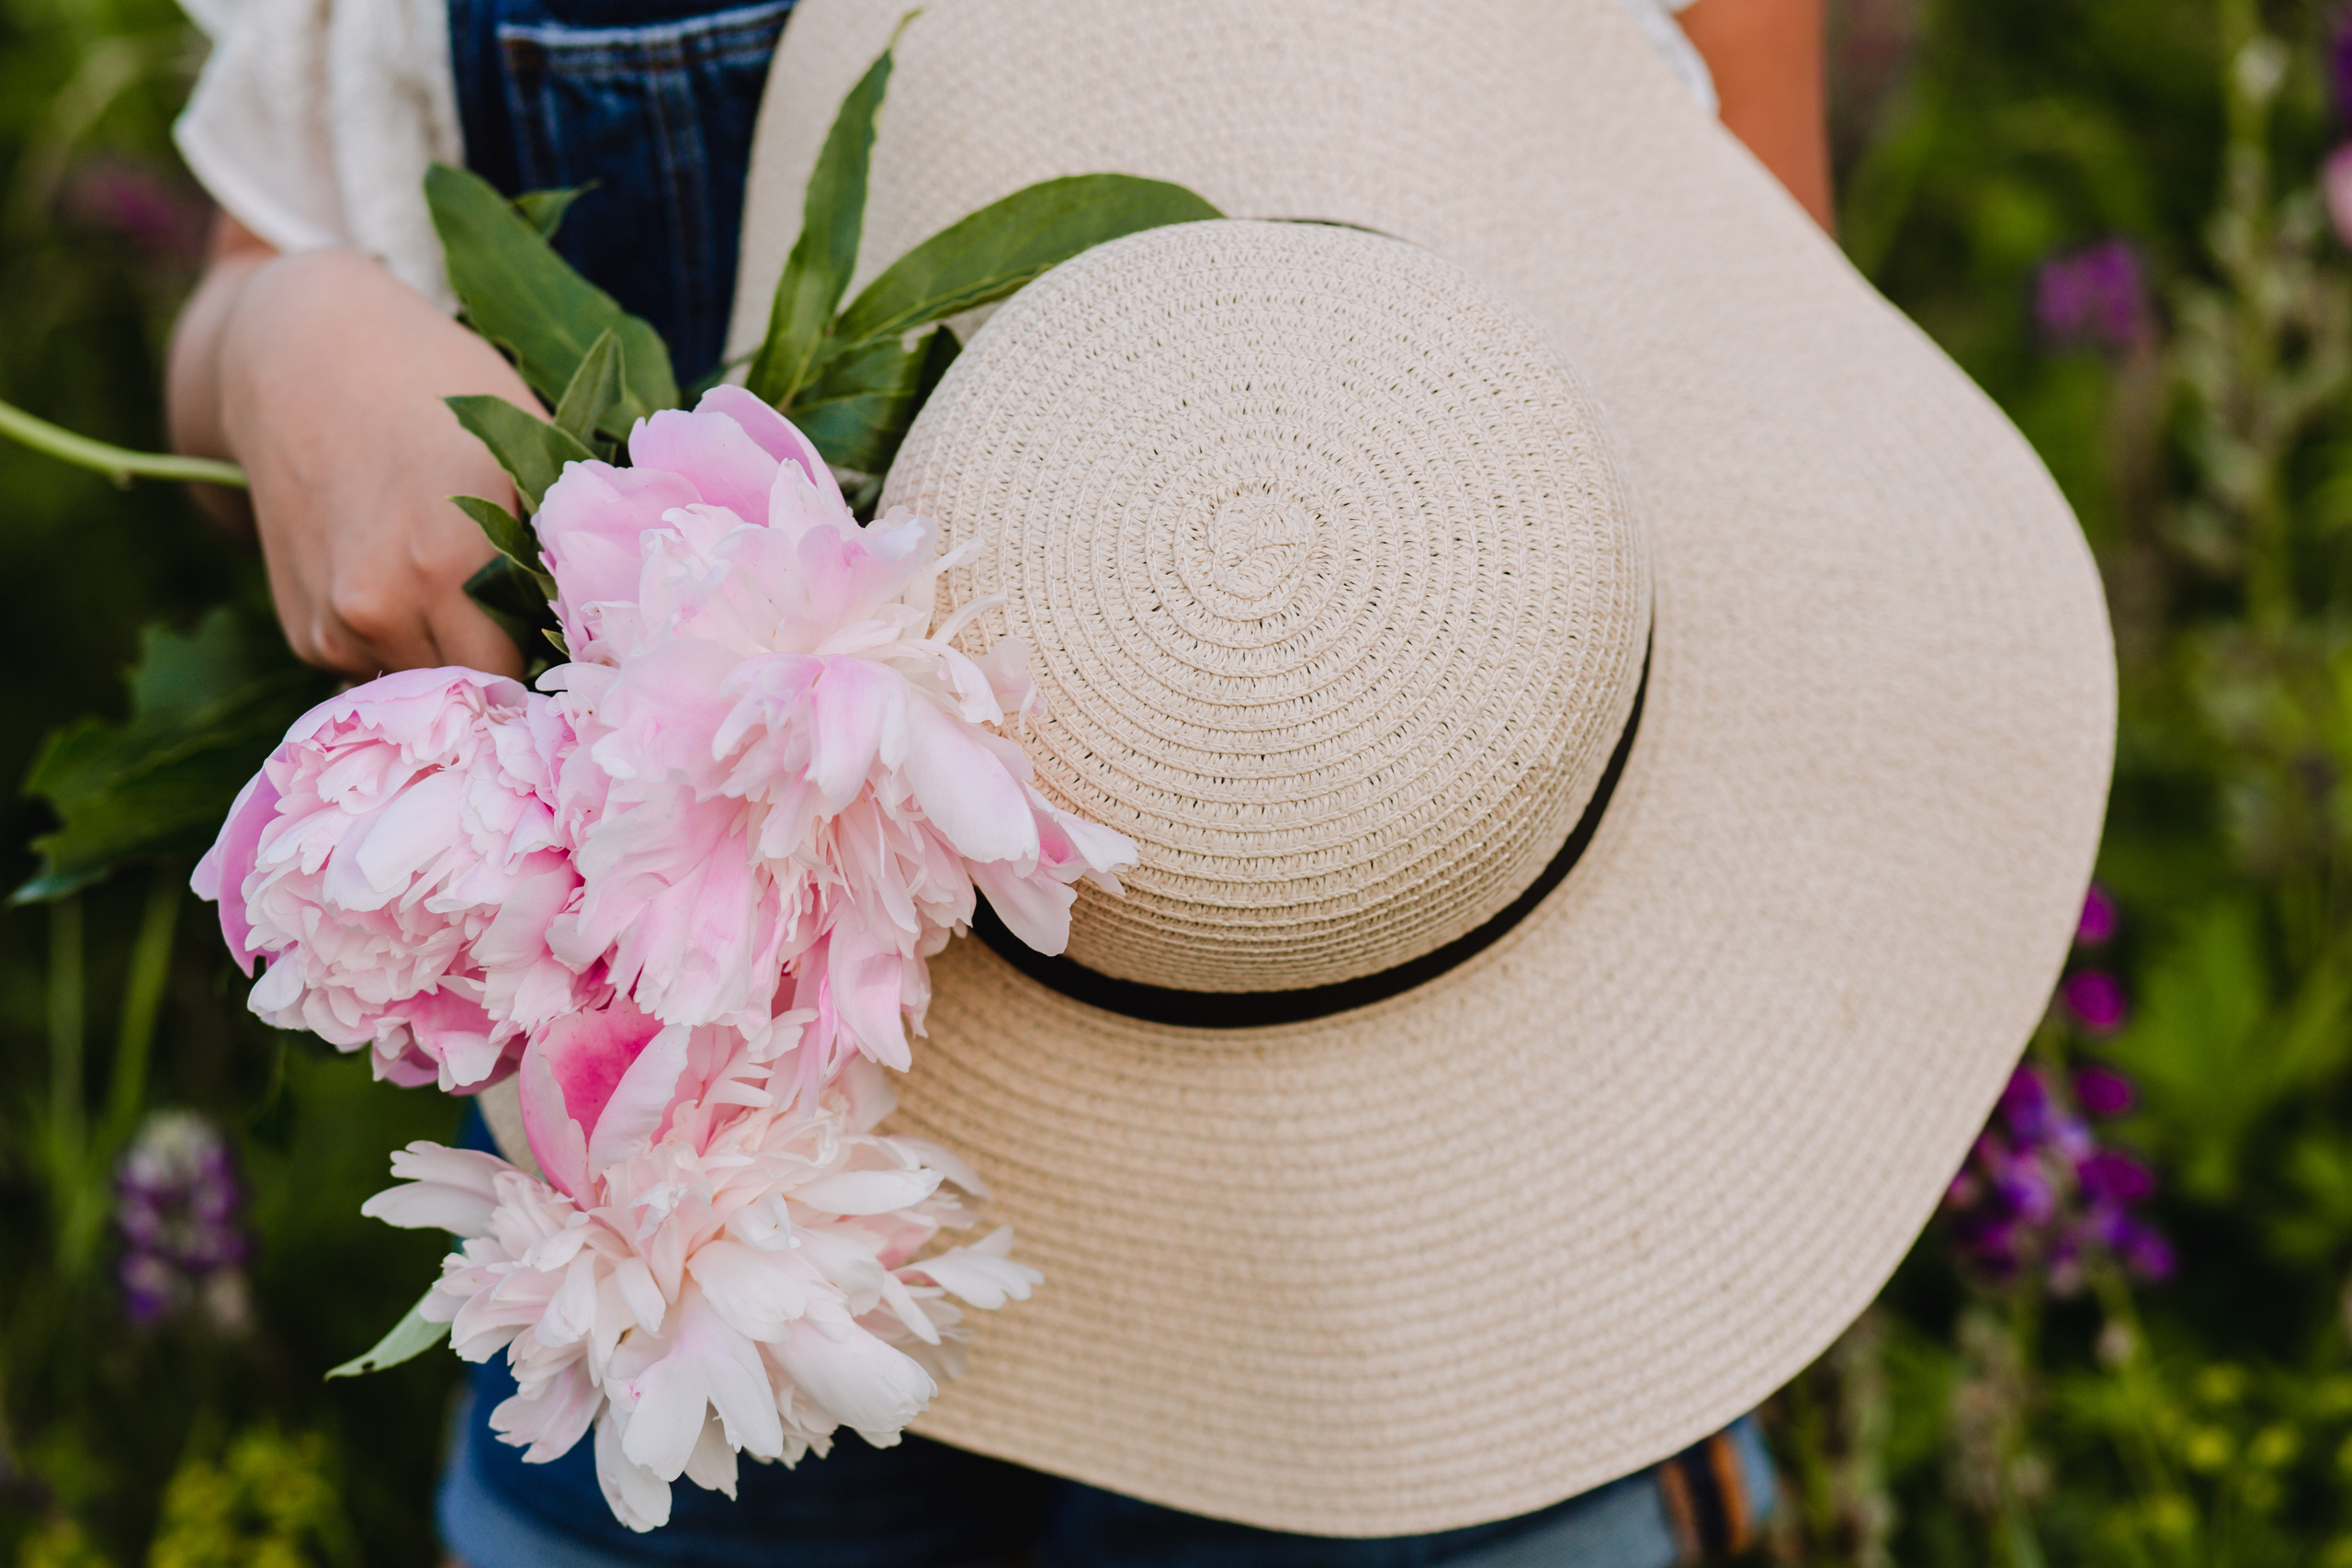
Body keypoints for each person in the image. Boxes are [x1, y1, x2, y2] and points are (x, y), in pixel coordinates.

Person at [164, 2, 1837, 1563]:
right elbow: (257, 263)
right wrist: (282, 334)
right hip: (692, 1251)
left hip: (1464, 1256)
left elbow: (1768, 336)